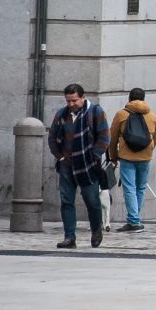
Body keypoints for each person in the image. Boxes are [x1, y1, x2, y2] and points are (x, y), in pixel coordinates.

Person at [47, 83, 110, 249]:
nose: (71, 104)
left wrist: (95, 156)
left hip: (87, 164)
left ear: (83, 97)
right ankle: (69, 237)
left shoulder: (95, 112)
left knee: (92, 201)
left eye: (74, 101)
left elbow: (104, 136)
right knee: (66, 200)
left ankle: (96, 230)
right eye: (68, 101)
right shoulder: (61, 114)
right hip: (66, 163)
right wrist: (59, 157)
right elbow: (52, 137)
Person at [109, 88, 156, 233]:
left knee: (129, 188)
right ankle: (135, 218)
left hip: (127, 156)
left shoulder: (121, 114)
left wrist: (113, 156)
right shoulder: (153, 116)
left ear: (129, 98)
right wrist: (148, 150)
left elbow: (112, 138)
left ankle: (133, 221)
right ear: (144, 99)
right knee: (141, 188)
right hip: (145, 157)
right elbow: (155, 139)